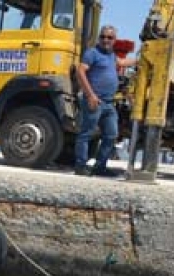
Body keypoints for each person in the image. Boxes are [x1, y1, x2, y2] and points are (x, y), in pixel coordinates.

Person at [75, 25, 135, 177]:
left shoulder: (111, 55)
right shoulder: (92, 53)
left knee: (111, 134)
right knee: (86, 133)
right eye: (102, 37)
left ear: (114, 40)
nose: (105, 40)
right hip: (95, 100)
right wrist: (90, 96)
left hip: (108, 103)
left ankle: (100, 167)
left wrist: (140, 60)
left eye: (109, 37)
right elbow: (80, 71)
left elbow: (121, 63)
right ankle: (80, 166)